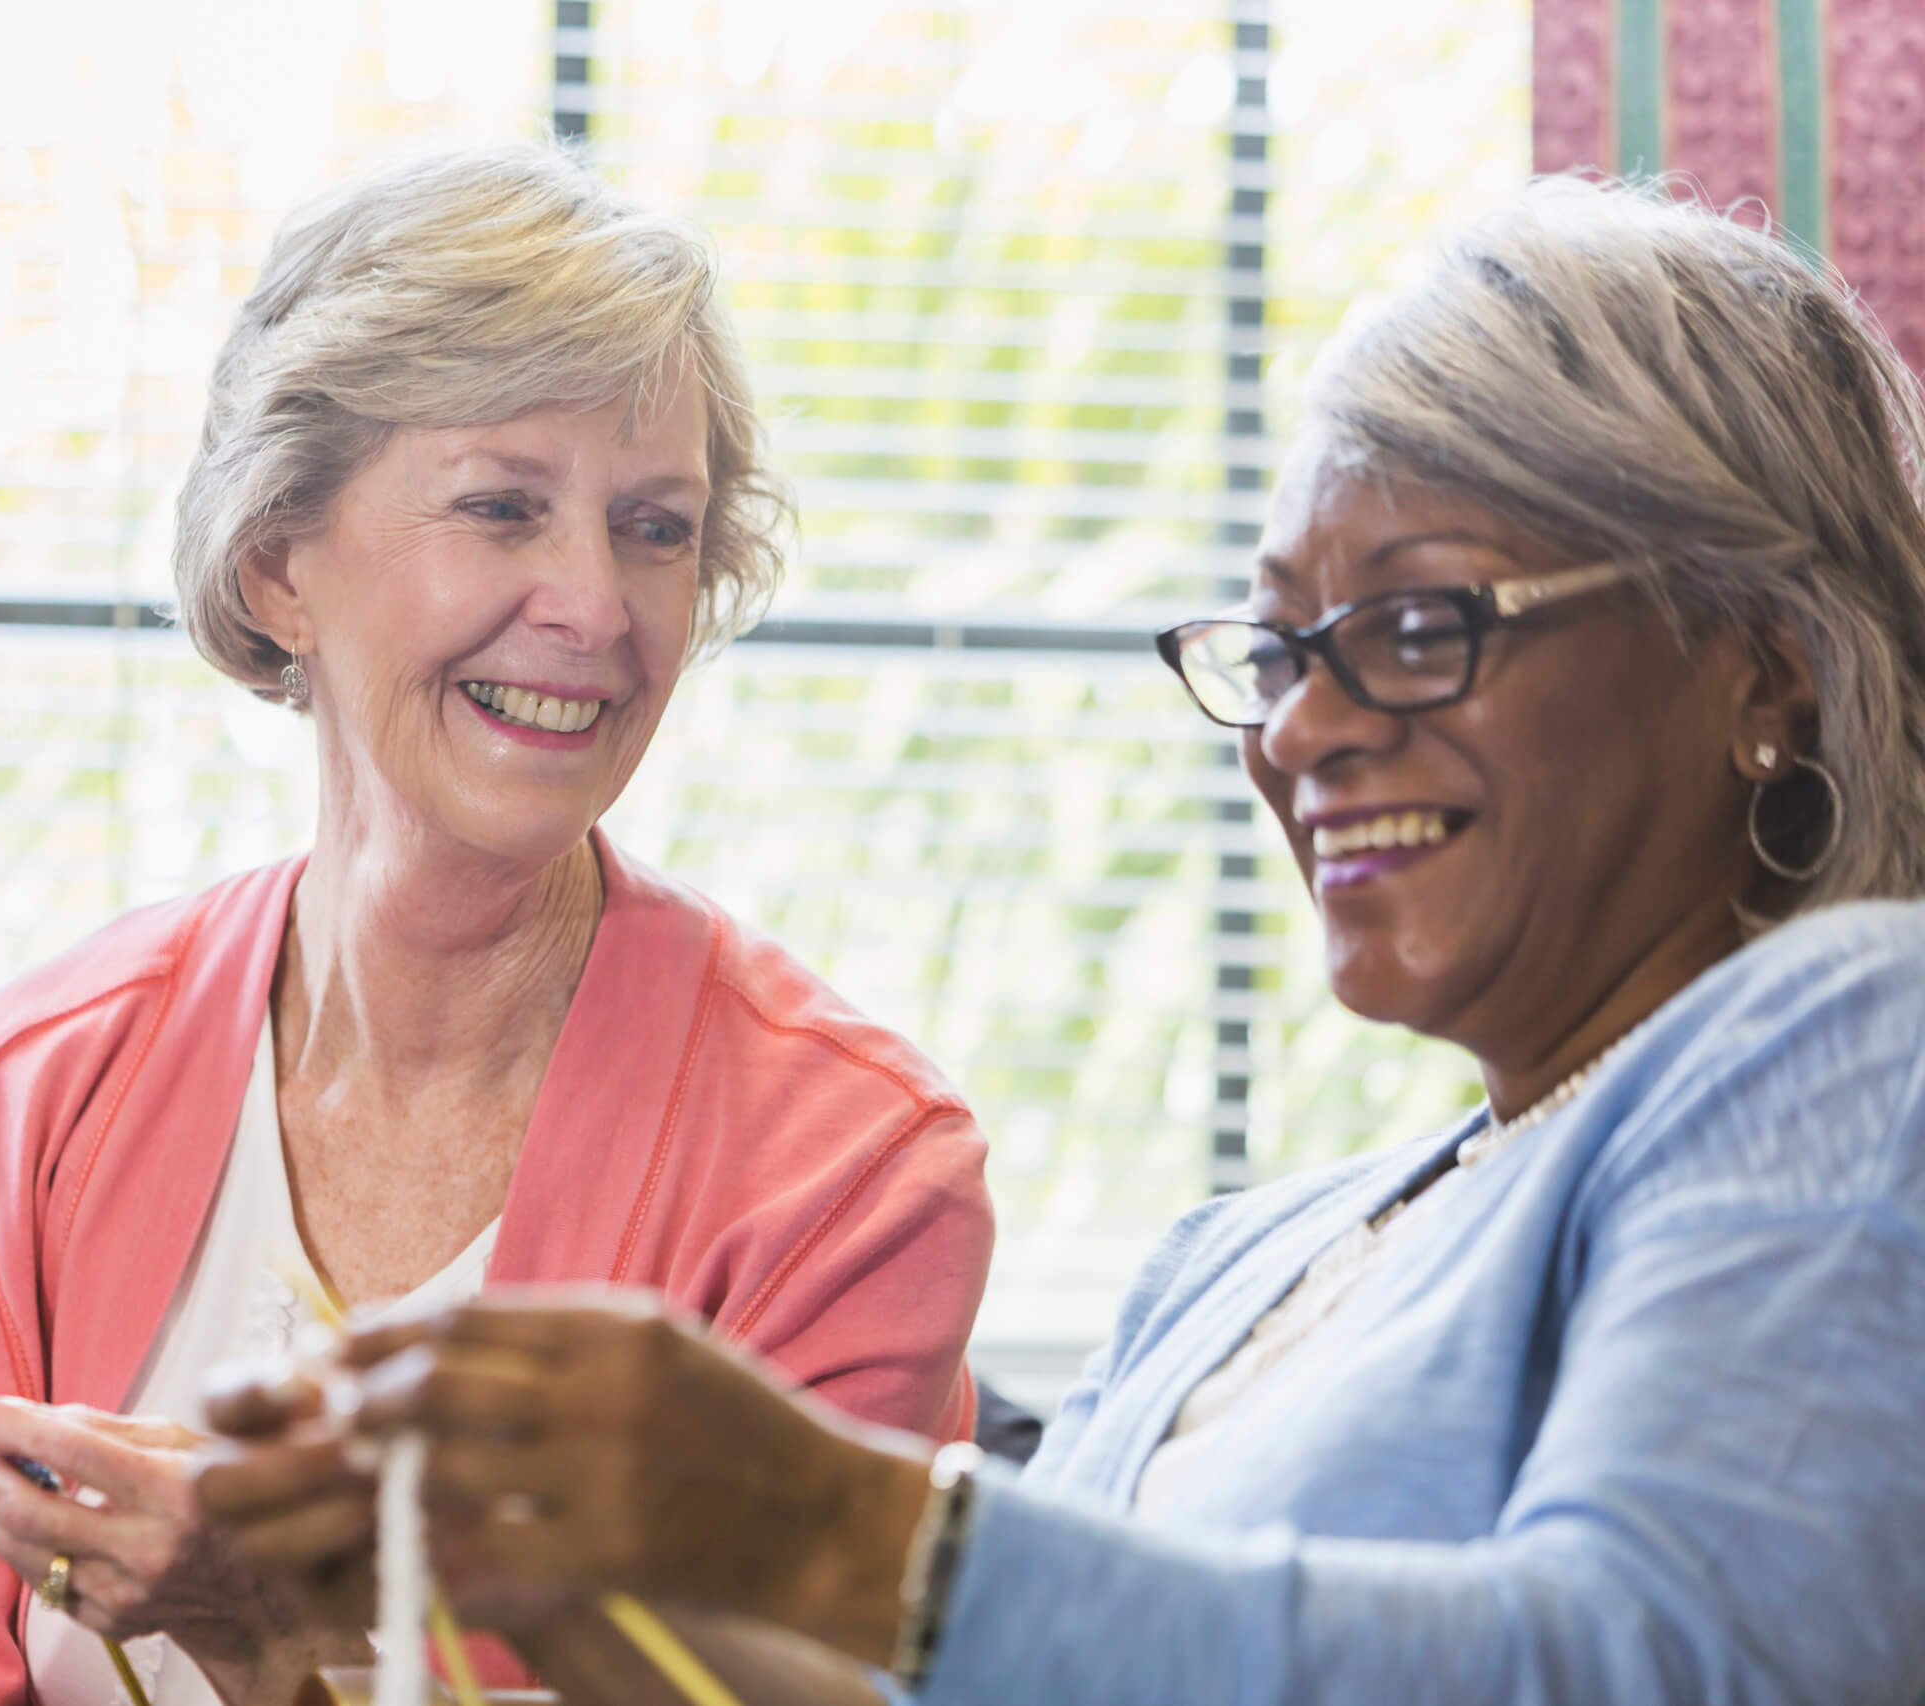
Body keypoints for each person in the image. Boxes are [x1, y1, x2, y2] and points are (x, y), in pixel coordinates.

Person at [263, 179, 1925, 1704]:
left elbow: (1654, 1665)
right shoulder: (1231, 1265)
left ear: (1763, 667)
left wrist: (824, 1520)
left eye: (1416, 628)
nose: (1305, 728)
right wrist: (563, 1586)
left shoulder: (1860, 1041)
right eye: (1280, 650)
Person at [0, 143, 994, 1706]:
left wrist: (271, 1642)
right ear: (278, 566)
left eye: (656, 527)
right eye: (503, 505)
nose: (596, 604)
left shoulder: (853, 1182)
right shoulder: (9, 1112)